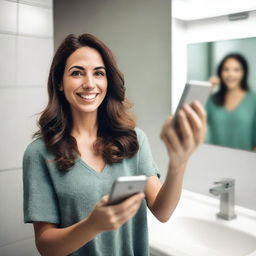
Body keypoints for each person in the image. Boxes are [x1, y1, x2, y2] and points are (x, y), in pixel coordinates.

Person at [22, 33, 206, 256]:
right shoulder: (39, 153)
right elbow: (45, 246)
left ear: (108, 81)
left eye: (99, 73)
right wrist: (92, 226)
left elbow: (162, 212)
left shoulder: (134, 140)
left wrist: (179, 164)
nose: (89, 84)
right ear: (60, 83)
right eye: (77, 73)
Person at [206, 53, 256, 151]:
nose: (230, 74)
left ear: (244, 72)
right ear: (220, 72)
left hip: (245, 162)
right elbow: (194, 120)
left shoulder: (253, 101)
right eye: (226, 69)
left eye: (236, 70)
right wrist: (207, 89)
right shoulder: (212, 100)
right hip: (215, 159)